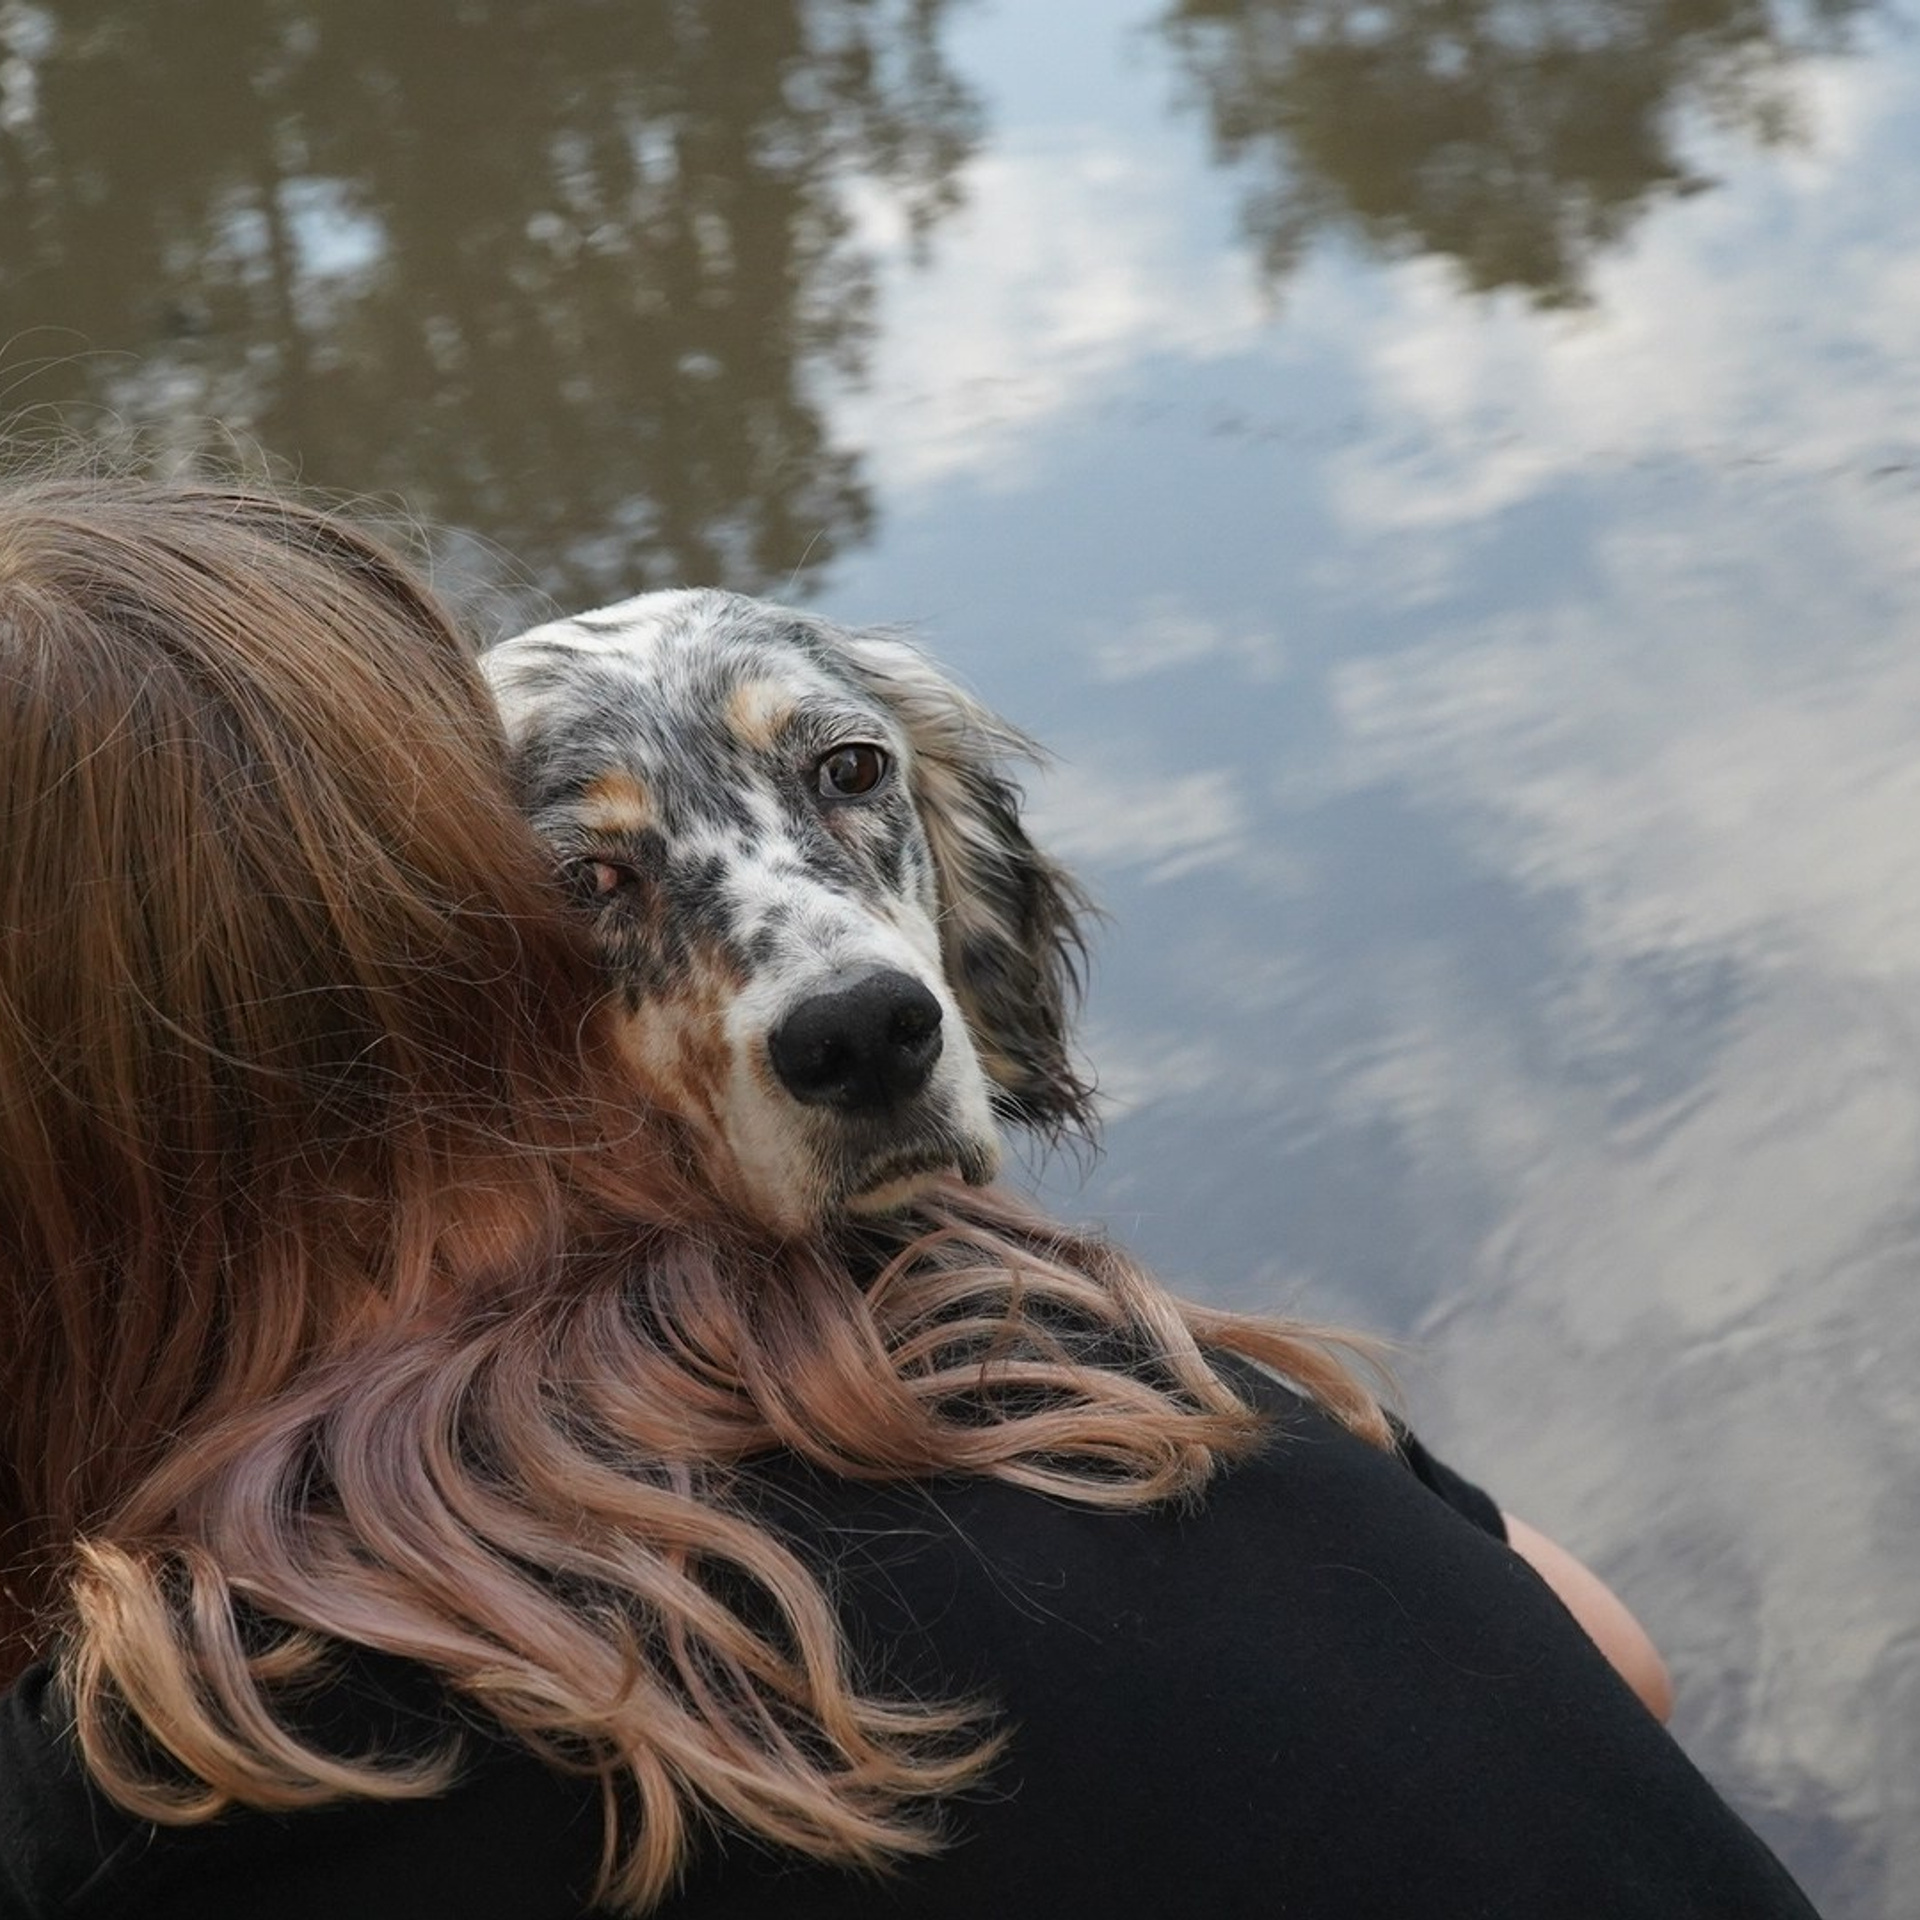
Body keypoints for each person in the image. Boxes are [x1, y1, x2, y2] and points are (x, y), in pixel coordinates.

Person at [0, 473, 1816, 1918]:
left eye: (848, 784)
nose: (839, 985)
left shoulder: (150, 1747)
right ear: (476, 1009)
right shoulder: (1109, 1365)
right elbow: (1615, 1662)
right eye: (597, 883)